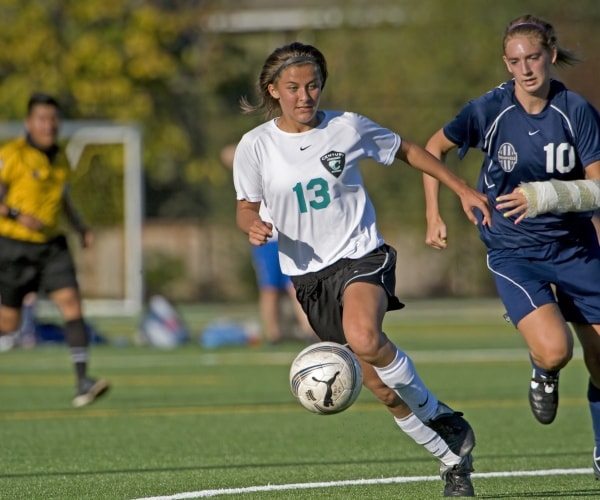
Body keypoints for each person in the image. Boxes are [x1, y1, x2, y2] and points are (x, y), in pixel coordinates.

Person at [233, 42, 492, 497]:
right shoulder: (255, 146)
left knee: (365, 337)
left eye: (313, 85)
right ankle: (452, 460)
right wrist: (252, 224)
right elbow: (244, 207)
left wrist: (460, 191)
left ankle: (440, 416)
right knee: (383, 389)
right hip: (309, 279)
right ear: (273, 90)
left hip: (360, 255)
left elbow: (409, 150)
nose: (304, 96)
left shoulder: (347, 127)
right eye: (292, 88)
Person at [422, 14, 600, 479]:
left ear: (551, 56)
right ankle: (545, 370)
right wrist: (439, 209)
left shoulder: (575, 109)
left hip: (576, 248)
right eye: (515, 61)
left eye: (534, 58)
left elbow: (599, 186)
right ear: (506, 63)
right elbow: (432, 149)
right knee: (556, 350)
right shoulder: (488, 110)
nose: (525, 69)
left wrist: (546, 196)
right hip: (514, 252)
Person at [0, 92, 110, 407]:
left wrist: (80, 227)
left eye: (53, 119)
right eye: (42, 119)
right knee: (8, 325)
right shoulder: (12, 155)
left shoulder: (61, 158)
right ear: (28, 123)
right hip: (12, 247)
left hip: (51, 247)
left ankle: (82, 382)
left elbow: (62, 200)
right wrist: (16, 215)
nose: (49, 125)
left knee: (71, 304)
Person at [251, 204, 316, 344]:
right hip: (268, 239)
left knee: (295, 286)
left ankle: (309, 331)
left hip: (292, 236)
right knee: (269, 289)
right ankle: (273, 335)